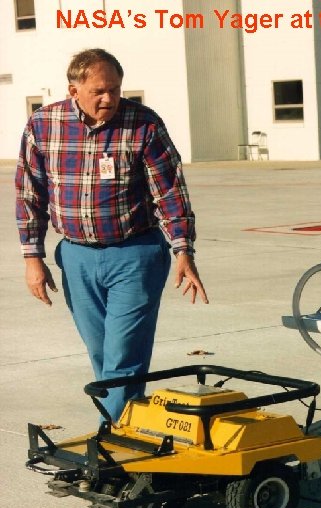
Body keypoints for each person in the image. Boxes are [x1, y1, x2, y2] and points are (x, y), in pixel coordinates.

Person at [15, 48, 208, 423]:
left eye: (116, 90)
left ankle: (109, 443)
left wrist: (183, 250)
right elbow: (29, 194)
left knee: (123, 356)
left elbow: (169, 192)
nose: (110, 99)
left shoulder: (144, 125)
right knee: (102, 354)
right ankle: (131, 431)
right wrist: (32, 258)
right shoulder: (42, 125)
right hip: (76, 257)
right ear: (74, 90)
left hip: (135, 255)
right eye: (99, 91)